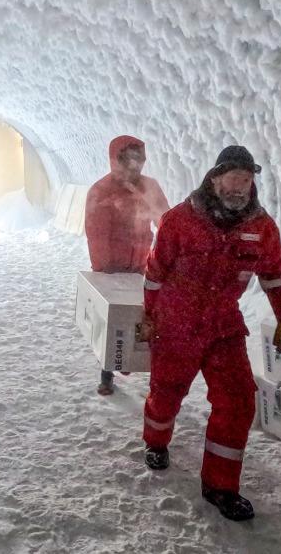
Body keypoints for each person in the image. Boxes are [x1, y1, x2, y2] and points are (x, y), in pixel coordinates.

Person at [137, 145, 281, 521]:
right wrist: (149, 316)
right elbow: (156, 271)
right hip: (176, 323)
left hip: (223, 325)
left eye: (246, 179)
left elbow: (275, 274)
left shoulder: (261, 228)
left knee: (239, 400)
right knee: (167, 392)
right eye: (233, 178)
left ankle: (220, 486)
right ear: (214, 178)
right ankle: (156, 441)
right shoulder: (180, 220)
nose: (239, 186)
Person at [84, 135, 170, 396]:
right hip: (112, 268)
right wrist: (104, 270)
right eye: (128, 158)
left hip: (142, 265)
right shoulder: (101, 191)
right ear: (116, 159)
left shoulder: (150, 188)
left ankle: (136, 364)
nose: (135, 165)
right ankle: (107, 372)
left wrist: (169, 254)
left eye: (138, 158)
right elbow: (97, 234)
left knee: (143, 318)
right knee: (113, 320)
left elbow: (165, 222)